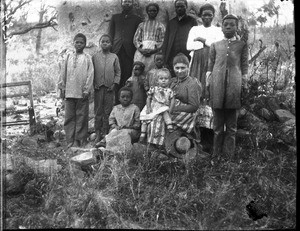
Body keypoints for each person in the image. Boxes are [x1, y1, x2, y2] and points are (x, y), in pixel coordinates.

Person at [206, 14, 248, 157]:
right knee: (217, 127)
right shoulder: (215, 45)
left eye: (232, 24)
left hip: (234, 88)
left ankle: (228, 157)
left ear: (237, 27)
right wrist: (209, 85)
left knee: (231, 127)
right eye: (226, 25)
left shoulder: (242, 45)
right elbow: (210, 67)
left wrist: (243, 85)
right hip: (217, 87)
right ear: (222, 27)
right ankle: (215, 155)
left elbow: (244, 67)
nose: (229, 27)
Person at [146, 53, 201, 147]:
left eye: (183, 68)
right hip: (169, 108)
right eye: (177, 68)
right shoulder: (172, 81)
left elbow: (194, 106)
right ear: (173, 67)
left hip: (187, 113)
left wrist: (173, 108)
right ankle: (155, 142)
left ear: (188, 67)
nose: (179, 71)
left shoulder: (192, 83)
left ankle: (159, 143)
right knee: (152, 114)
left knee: (160, 117)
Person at [57, 33, 94, 148]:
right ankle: (70, 139)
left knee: (82, 116)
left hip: (82, 92)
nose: (79, 44)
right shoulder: (68, 56)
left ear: (85, 44)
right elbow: (63, 72)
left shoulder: (87, 57)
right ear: (73, 43)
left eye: (81, 42)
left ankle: (79, 139)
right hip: (69, 92)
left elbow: (90, 73)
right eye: (77, 42)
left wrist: (87, 89)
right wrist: (62, 88)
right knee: (69, 117)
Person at [186, 3, 223, 100]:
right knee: (196, 83)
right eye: (204, 15)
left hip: (212, 60)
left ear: (213, 16)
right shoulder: (195, 29)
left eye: (209, 15)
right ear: (200, 16)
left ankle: (209, 109)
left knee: (210, 83)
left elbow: (218, 46)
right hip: (197, 61)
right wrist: (208, 44)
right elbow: (189, 46)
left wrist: (202, 40)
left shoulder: (218, 30)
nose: (207, 17)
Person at [108, 0, 142, 103]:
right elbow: (110, 33)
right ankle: (116, 103)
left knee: (127, 77)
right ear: (121, 3)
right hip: (116, 51)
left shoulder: (137, 19)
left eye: (129, 2)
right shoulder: (115, 17)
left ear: (133, 4)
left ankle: (126, 102)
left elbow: (138, 36)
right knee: (116, 77)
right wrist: (110, 49)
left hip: (129, 52)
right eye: (124, 1)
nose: (126, 4)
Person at [92, 34, 121, 142]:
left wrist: (114, 84)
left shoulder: (114, 57)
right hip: (98, 88)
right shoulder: (95, 57)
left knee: (107, 111)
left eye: (107, 41)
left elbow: (118, 72)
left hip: (109, 89)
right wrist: (94, 83)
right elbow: (92, 71)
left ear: (111, 44)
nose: (105, 43)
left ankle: (105, 133)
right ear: (99, 43)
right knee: (98, 111)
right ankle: (98, 133)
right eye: (103, 41)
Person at [139, 68, 175, 143]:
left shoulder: (169, 91)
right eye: (161, 78)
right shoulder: (154, 89)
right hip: (154, 105)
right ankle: (143, 133)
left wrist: (171, 109)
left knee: (165, 112)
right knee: (145, 117)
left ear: (169, 80)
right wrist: (148, 107)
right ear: (157, 80)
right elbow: (148, 98)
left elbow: (172, 100)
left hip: (162, 106)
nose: (163, 80)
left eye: (166, 79)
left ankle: (169, 124)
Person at [162, 0, 197, 73]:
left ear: (186, 7)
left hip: (187, 54)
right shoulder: (171, 22)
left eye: (182, 6)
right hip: (173, 55)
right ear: (175, 8)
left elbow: (195, 39)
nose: (179, 9)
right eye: (177, 7)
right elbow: (166, 40)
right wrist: (165, 57)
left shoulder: (192, 21)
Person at [133, 3, 166, 73]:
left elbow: (162, 40)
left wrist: (154, 50)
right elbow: (136, 39)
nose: (152, 12)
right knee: (140, 70)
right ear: (147, 12)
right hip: (141, 52)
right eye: (150, 11)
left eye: (154, 11)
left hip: (154, 52)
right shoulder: (142, 25)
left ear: (157, 12)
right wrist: (141, 50)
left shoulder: (160, 26)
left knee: (151, 71)